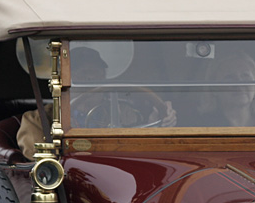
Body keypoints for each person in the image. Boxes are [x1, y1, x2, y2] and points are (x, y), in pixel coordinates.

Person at [16, 46, 175, 159]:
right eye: (83, 74)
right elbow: (41, 160)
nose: (90, 80)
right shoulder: (38, 120)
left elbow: (137, 146)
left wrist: (158, 122)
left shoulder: (121, 111)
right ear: (63, 83)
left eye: (96, 74)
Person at [193, 51, 255, 127]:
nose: (239, 83)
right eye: (229, 78)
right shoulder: (199, 127)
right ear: (213, 88)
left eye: (245, 76)